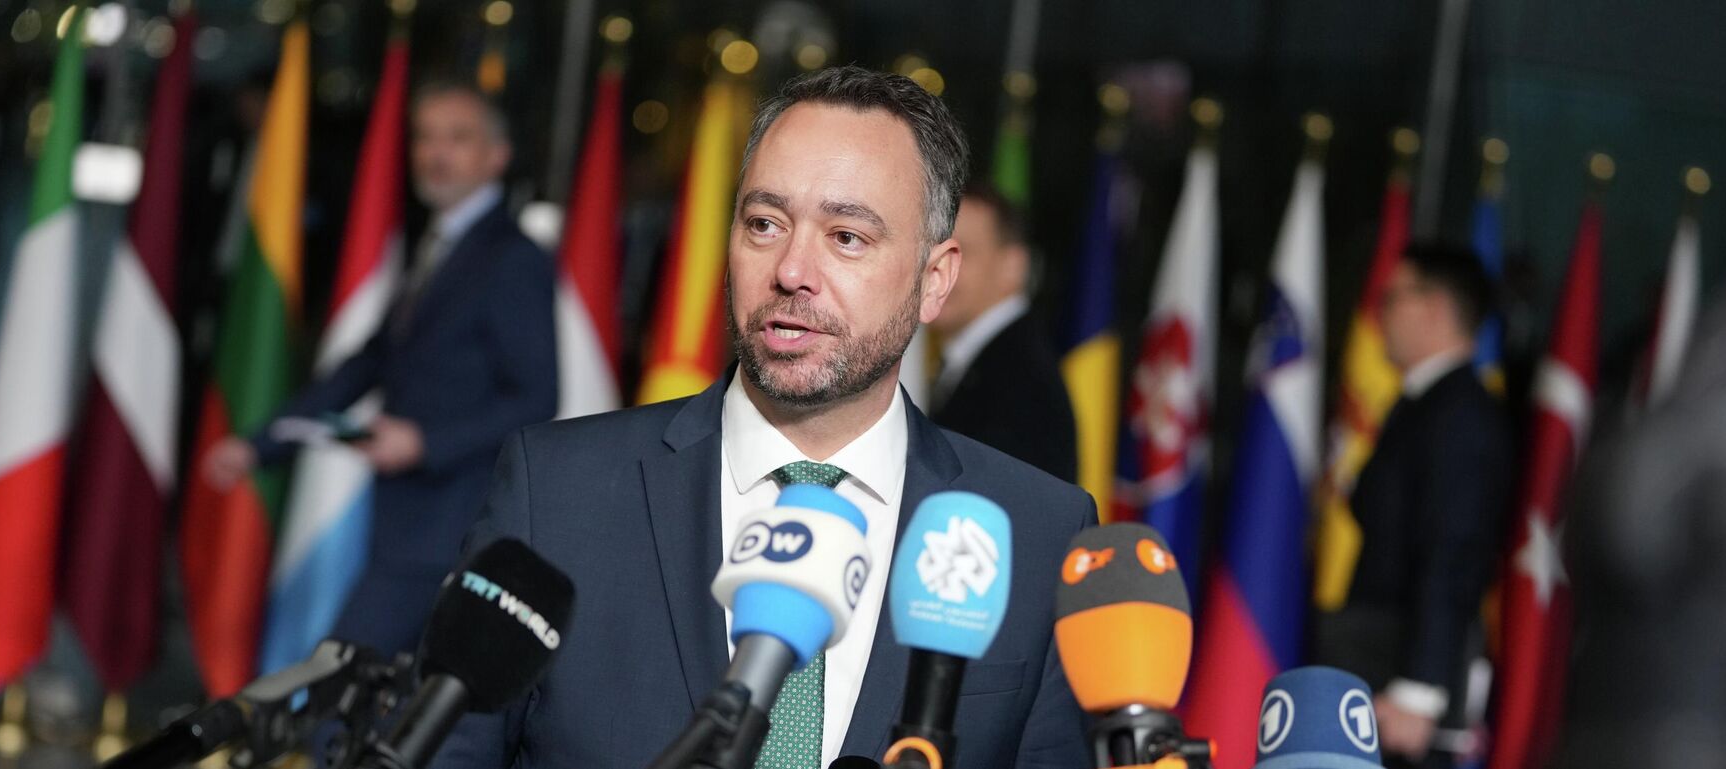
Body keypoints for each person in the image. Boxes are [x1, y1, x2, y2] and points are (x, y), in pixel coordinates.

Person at [432, 66, 1091, 769]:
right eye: (764, 224)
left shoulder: (1039, 532)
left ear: (935, 280)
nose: (791, 270)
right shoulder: (556, 492)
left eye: (846, 236)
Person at [199, 80, 558, 657]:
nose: (436, 153)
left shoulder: (511, 257)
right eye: (425, 137)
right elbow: (371, 363)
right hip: (405, 516)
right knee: (376, 686)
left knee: (343, 677)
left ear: (497, 156)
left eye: (458, 138)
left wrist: (424, 442)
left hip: (452, 519)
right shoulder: (439, 242)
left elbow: (536, 397)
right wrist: (260, 444)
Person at [1313, 243, 1511, 769]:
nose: (1380, 312)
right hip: (1378, 659)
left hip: (1402, 681)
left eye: (1392, 297)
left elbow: (1454, 552)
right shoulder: (1425, 404)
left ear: (1436, 307)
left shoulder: (1460, 415)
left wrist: (1419, 688)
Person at [926, 183, 1078, 483]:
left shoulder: (1022, 381)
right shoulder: (998, 361)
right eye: (933, 251)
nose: (937, 270)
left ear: (1013, 266)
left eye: (960, 253)